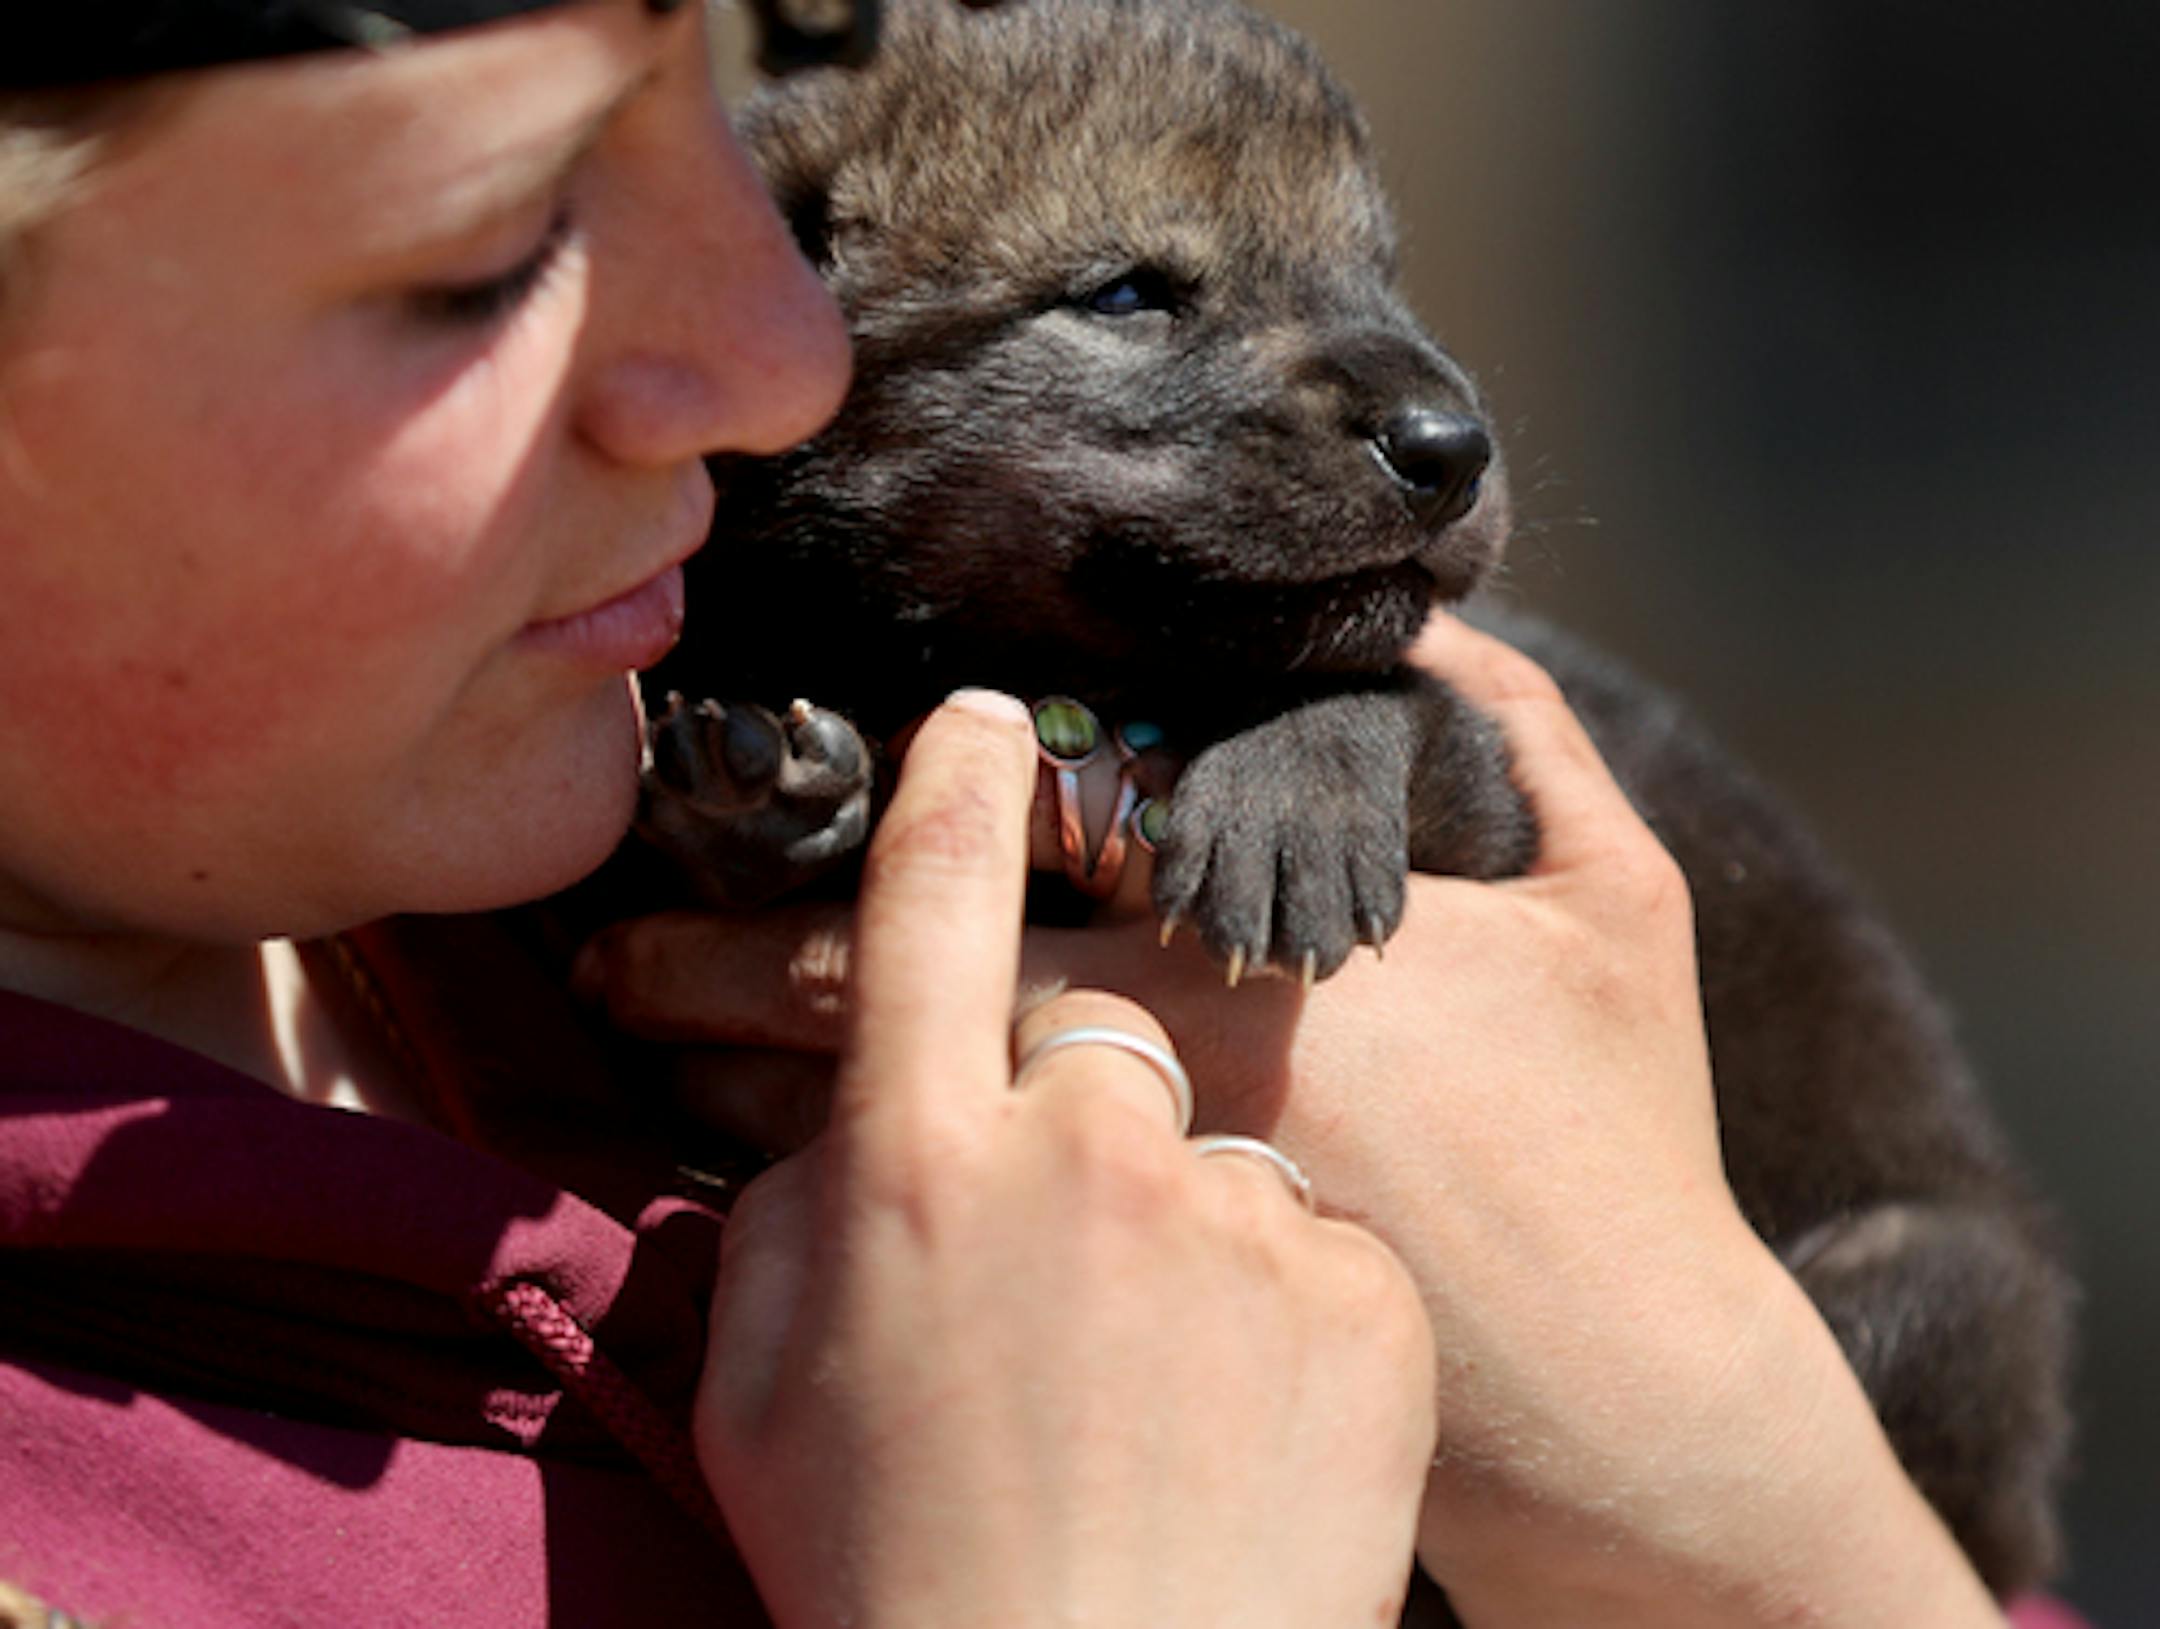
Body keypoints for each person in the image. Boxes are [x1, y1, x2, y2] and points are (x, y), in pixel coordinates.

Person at [0, 2, 2075, 1625]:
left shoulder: (526, 766)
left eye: (695, 107)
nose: (781, 345)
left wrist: (1760, 1515)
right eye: (486, 251)